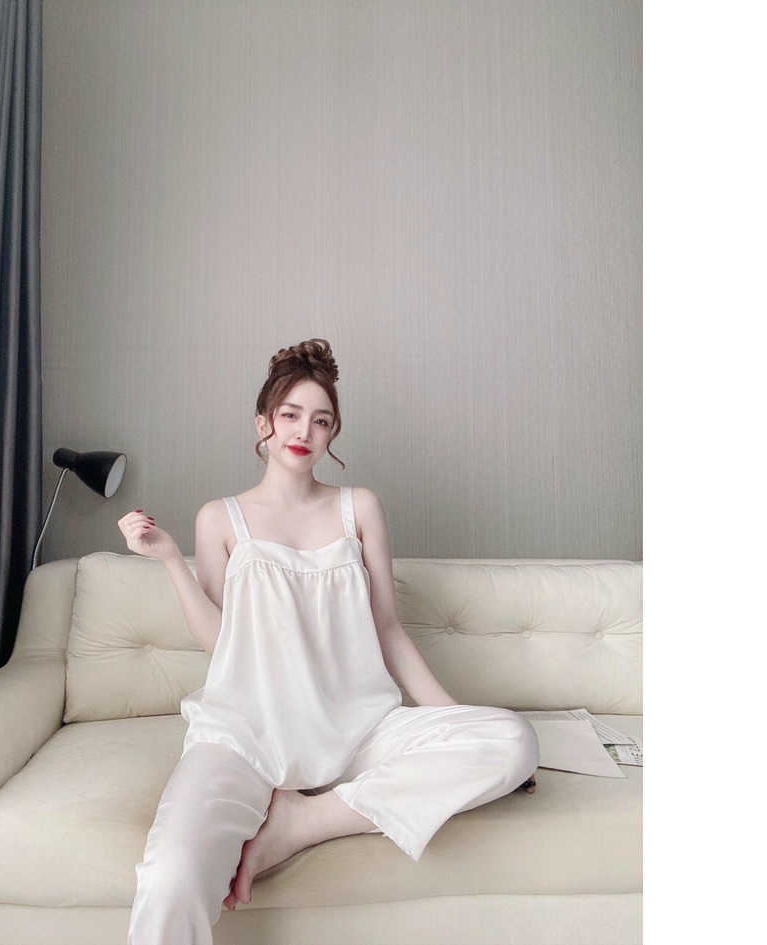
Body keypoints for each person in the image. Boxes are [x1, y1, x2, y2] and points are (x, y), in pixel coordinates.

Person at [117, 338, 539, 945]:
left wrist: (454, 722)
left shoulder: (357, 508)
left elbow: (388, 629)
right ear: (262, 423)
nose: (303, 431)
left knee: (512, 737)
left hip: (358, 729)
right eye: (289, 414)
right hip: (246, 734)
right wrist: (168, 560)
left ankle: (304, 820)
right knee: (169, 878)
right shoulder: (220, 518)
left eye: (321, 421)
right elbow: (220, 641)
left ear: (333, 432)